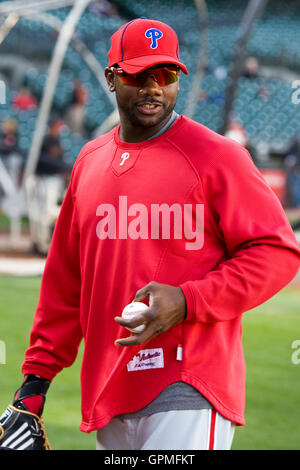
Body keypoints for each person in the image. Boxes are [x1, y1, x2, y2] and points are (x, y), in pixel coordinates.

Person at [0, 18, 299, 451]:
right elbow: (65, 284)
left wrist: (188, 300)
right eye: (138, 74)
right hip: (111, 387)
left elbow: (278, 252)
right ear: (111, 78)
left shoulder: (218, 157)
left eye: (166, 74)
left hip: (188, 384)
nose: (153, 87)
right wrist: (34, 383)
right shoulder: (89, 161)